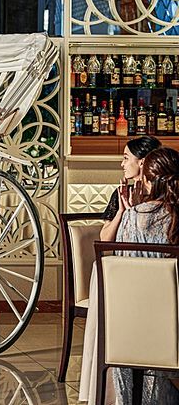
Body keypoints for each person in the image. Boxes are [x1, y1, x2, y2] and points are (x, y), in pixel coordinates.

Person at [79, 146, 179, 404]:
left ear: (147, 179)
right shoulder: (174, 218)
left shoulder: (131, 216)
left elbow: (120, 258)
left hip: (127, 328)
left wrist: (126, 212)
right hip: (171, 326)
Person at [99, 135, 161, 241]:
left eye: (126, 158)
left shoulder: (165, 193)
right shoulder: (122, 194)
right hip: (124, 251)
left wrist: (136, 211)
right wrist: (121, 212)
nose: (122, 164)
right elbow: (105, 240)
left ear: (142, 162)